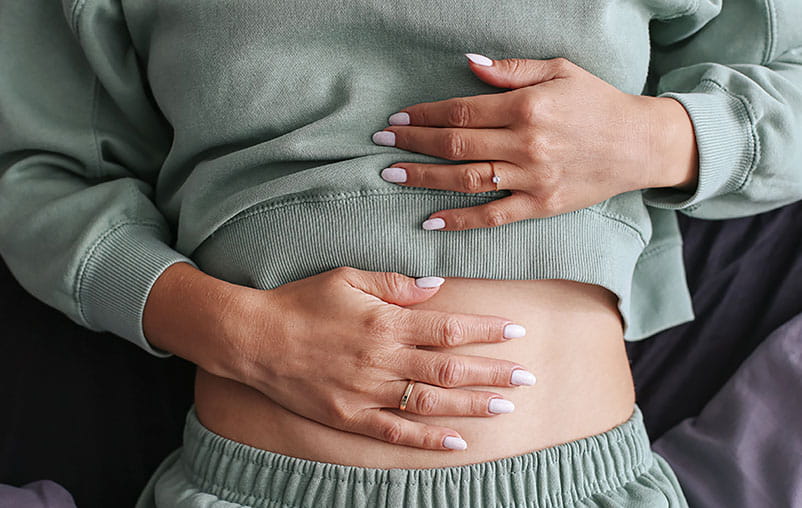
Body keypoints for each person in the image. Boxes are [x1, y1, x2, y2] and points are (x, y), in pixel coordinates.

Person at [1, 0, 800, 506]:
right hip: (250, 486)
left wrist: (657, 138)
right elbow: (42, 180)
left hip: (581, 484)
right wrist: (236, 332)